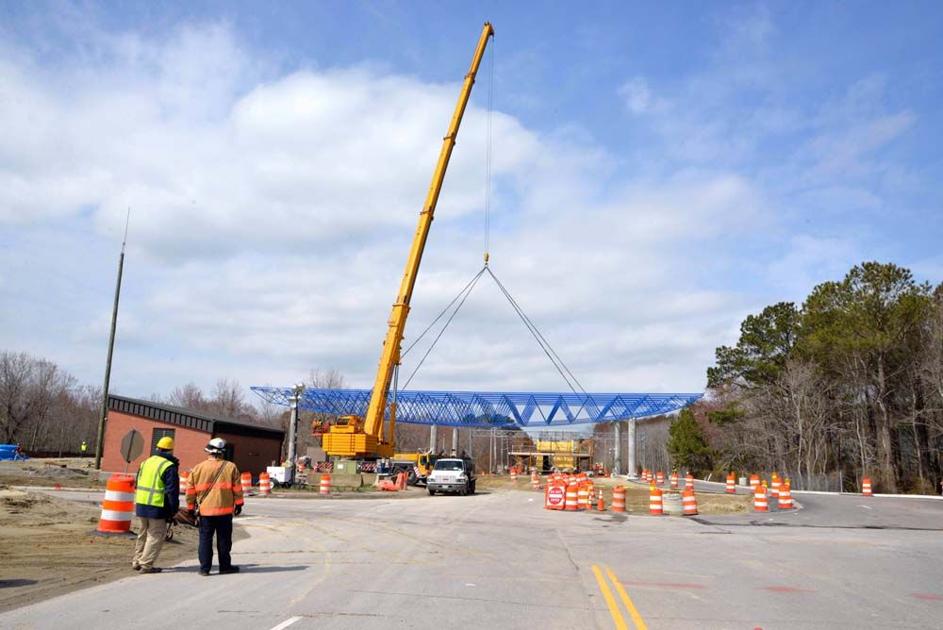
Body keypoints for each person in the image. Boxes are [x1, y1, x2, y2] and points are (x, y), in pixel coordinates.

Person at [186, 437, 244, 576]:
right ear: (222, 452)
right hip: (224, 512)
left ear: (209, 452)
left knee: (205, 540)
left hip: (205, 512)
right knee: (224, 540)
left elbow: (190, 491)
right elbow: (237, 488)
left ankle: (204, 568)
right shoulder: (231, 467)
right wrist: (239, 504)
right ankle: (224, 567)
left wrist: (190, 508)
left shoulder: (198, 468)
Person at [131, 436, 180, 574]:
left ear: (157, 448)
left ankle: (137, 560)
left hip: (141, 503)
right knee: (155, 535)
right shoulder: (168, 466)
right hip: (157, 506)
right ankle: (146, 565)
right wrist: (173, 510)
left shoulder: (145, 462)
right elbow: (172, 492)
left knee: (142, 534)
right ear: (170, 451)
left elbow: (138, 483)